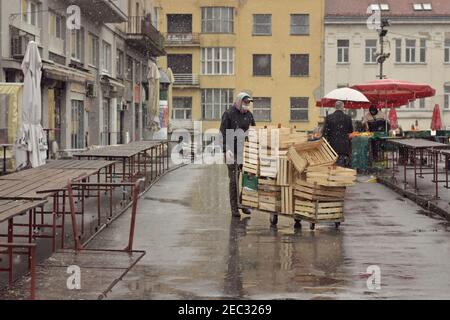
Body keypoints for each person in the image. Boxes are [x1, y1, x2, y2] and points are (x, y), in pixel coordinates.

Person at [220, 92, 256, 217]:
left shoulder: (249, 115)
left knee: (248, 177)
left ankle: (244, 203)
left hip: (244, 150)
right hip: (231, 151)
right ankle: (234, 208)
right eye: (245, 103)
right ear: (239, 102)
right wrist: (225, 150)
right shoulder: (229, 114)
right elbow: (223, 133)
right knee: (234, 180)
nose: (247, 105)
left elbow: (253, 131)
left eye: (248, 103)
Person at [322, 101, 353, 167]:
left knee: (333, 166)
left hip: (332, 146)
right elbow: (350, 132)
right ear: (343, 107)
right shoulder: (347, 118)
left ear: (335, 107)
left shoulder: (329, 117)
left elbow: (324, 133)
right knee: (343, 167)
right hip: (344, 146)